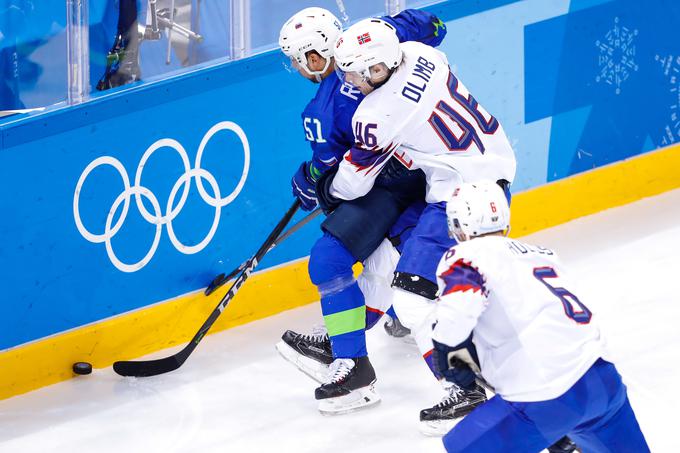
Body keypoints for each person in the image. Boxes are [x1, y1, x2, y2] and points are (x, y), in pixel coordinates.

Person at [321, 18, 514, 433]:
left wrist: (322, 186)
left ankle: (466, 385)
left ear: (377, 69)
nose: (349, 80)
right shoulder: (423, 55)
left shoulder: (376, 112)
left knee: (411, 298)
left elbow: (354, 184)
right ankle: (349, 348)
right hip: (486, 170)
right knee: (389, 262)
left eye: (355, 71)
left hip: (461, 195)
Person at [275, 7, 456, 416]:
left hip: (402, 186)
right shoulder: (382, 36)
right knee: (394, 272)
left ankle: (459, 382)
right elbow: (430, 25)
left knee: (339, 261)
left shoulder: (321, 111)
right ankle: (356, 348)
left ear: (312, 56)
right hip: (433, 175)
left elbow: (341, 176)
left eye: (299, 60)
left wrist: (313, 180)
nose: (300, 68)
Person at [429, 180, 649, 453]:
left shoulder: (466, 254)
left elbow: (459, 310)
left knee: (464, 448)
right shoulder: (543, 255)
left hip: (545, 396)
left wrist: (448, 349)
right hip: (602, 381)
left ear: (459, 224)